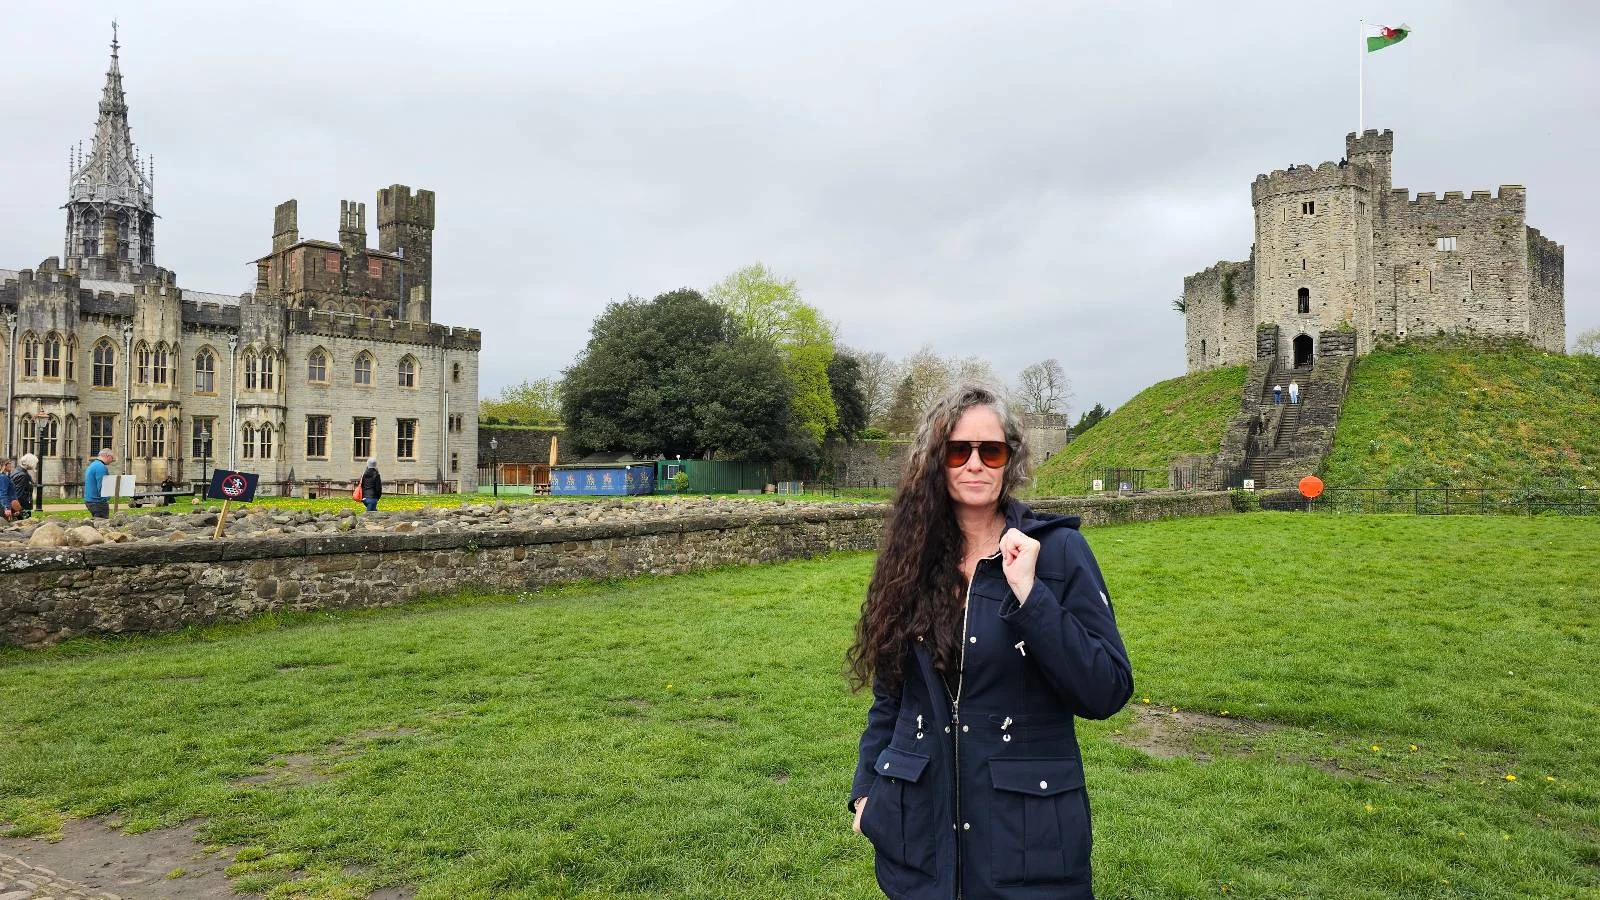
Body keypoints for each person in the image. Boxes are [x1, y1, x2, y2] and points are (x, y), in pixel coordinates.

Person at [847, 385, 1133, 899]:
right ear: (936, 461)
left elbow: (1106, 688)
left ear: (1010, 460)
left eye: (990, 451)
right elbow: (892, 696)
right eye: (958, 450)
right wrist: (866, 792)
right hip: (920, 845)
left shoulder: (1059, 551)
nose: (974, 464)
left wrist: (1030, 595)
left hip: (1026, 841)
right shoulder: (911, 559)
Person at [84, 448, 114, 519]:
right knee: (102, 525)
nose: (112, 460)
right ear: (107, 456)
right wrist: (105, 500)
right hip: (97, 502)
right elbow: (102, 485)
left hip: (90, 500)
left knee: (96, 522)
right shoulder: (101, 467)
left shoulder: (93, 464)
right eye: (112, 458)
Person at [11, 454, 36, 520]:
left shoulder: (18, 471)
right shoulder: (22, 475)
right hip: (22, 506)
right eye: (35, 463)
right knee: (24, 527)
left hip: (22, 505)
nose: (35, 465)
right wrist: (19, 510)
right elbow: (18, 494)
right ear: (29, 463)